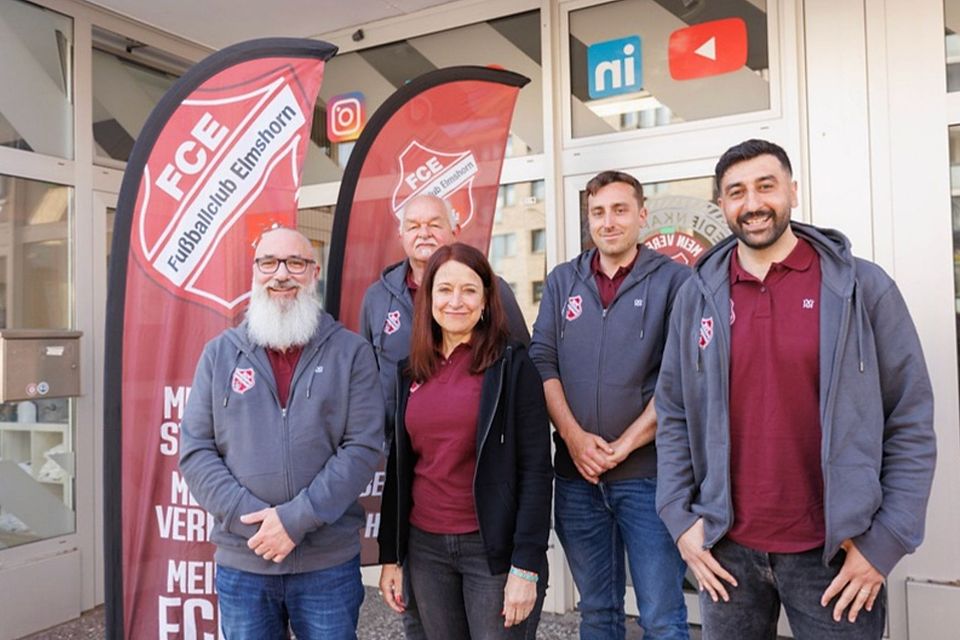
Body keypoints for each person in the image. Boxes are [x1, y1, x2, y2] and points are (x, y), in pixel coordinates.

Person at [655, 139, 937, 639]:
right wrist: (680, 520)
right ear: (722, 205)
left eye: (767, 186)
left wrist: (885, 541)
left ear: (793, 191)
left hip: (834, 552)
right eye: (736, 192)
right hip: (726, 550)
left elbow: (909, 417)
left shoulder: (860, 288)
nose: (753, 203)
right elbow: (674, 412)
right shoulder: (696, 297)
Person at [179, 227, 384, 640]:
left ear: (314, 273)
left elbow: (361, 447)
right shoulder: (219, 354)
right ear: (255, 272)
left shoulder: (352, 353)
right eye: (268, 263)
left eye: (295, 263)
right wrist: (258, 526)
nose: (281, 275)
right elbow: (196, 450)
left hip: (326, 566)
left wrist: (294, 521)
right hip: (245, 563)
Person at [359, 193, 533, 638]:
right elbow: (402, 466)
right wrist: (391, 555)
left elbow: (535, 469)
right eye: (445, 290)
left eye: (469, 290)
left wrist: (527, 565)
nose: (456, 301)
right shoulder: (409, 372)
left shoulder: (512, 366)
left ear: (486, 300)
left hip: (489, 545)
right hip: (426, 546)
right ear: (428, 300)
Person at [529, 171, 691, 640]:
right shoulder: (563, 280)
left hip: (649, 479)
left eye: (620, 210)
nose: (609, 222)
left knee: (662, 615)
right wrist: (575, 440)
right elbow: (543, 360)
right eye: (598, 212)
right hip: (578, 480)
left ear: (642, 215)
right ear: (589, 219)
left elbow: (681, 376)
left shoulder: (675, 282)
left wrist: (625, 445)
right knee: (597, 612)